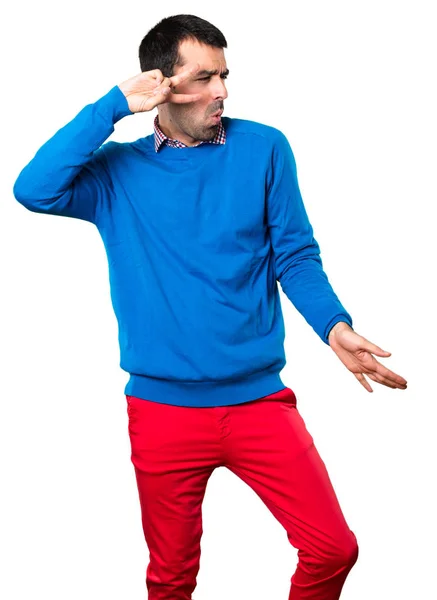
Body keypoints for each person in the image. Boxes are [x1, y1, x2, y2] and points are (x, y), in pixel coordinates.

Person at [13, 13, 407, 600]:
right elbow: (33, 189)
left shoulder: (265, 147)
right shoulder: (116, 172)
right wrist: (112, 106)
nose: (221, 90)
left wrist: (334, 327)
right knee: (171, 580)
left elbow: (294, 254)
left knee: (333, 547)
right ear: (162, 84)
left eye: (224, 75)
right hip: (162, 413)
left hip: (259, 405)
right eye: (204, 77)